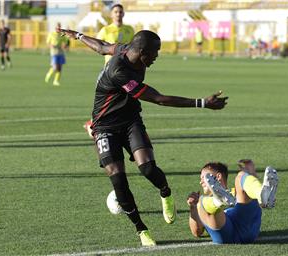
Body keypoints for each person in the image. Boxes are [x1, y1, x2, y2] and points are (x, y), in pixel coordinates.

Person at [58, 28, 229, 246]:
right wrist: (202, 103)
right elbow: (158, 98)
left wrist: (79, 36)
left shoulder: (125, 49)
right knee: (118, 179)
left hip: (130, 122)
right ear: (142, 52)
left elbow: (101, 47)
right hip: (104, 127)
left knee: (147, 168)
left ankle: (165, 193)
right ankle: (141, 229)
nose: (157, 56)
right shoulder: (120, 72)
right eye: (155, 52)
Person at [187, 160, 278, 244]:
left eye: (204, 177)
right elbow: (197, 232)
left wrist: (250, 175)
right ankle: (218, 201)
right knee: (202, 202)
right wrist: (193, 207)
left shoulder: (239, 192)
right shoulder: (203, 203)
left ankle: (263, 195)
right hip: (225, 231)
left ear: (218, 176)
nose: (200, 182)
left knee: (241, 175)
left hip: (243, 223)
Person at [84, 3, 135, 138]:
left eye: (120, 12)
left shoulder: (129, 30)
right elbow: (98, 45)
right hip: (110, 71)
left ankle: (127, 126)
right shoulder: (105, 30)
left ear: (123, 14)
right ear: (111, 14)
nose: (118, 14)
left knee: (126, 98)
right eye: (116, 12)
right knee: (103, 99)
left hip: (126, 71)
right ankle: (92, 123)